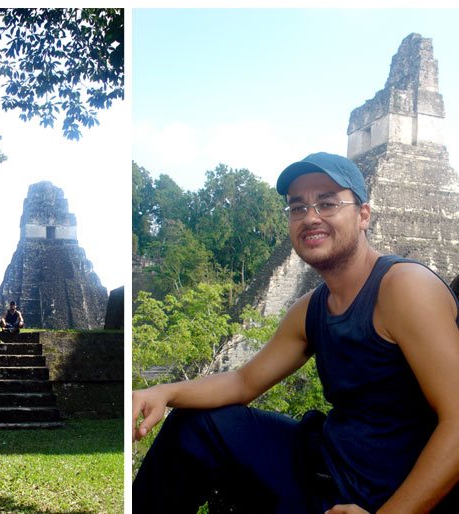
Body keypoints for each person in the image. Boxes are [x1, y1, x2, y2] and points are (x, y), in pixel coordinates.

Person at [132, 152, 459, 514]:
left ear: (363, 214)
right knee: (196, 426)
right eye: (297, 207)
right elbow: (243, 381)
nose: (310, 217)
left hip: (390, 492)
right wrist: (162, 392)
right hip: (329, 466)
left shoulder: (404, 288)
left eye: (327, 203)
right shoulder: (311, 308)